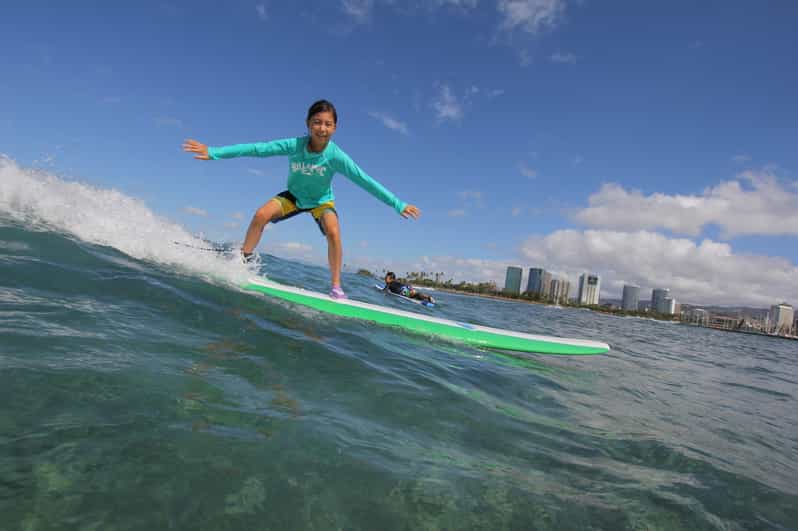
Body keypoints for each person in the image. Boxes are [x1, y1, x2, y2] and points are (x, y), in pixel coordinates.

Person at [182, 100, 421, 299]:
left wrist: (397, 204)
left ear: (335, 128)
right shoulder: (295, 145)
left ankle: (336, 286)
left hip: (321, 203)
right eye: (317, 122)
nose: (322, 128)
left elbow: (365, 180)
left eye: (328, 124)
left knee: (334, 231)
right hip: (294, 197)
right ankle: (242, 259)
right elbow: (258, 148)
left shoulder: (336, 156)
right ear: (308, 124)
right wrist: (214, 152)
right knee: (261, 215)